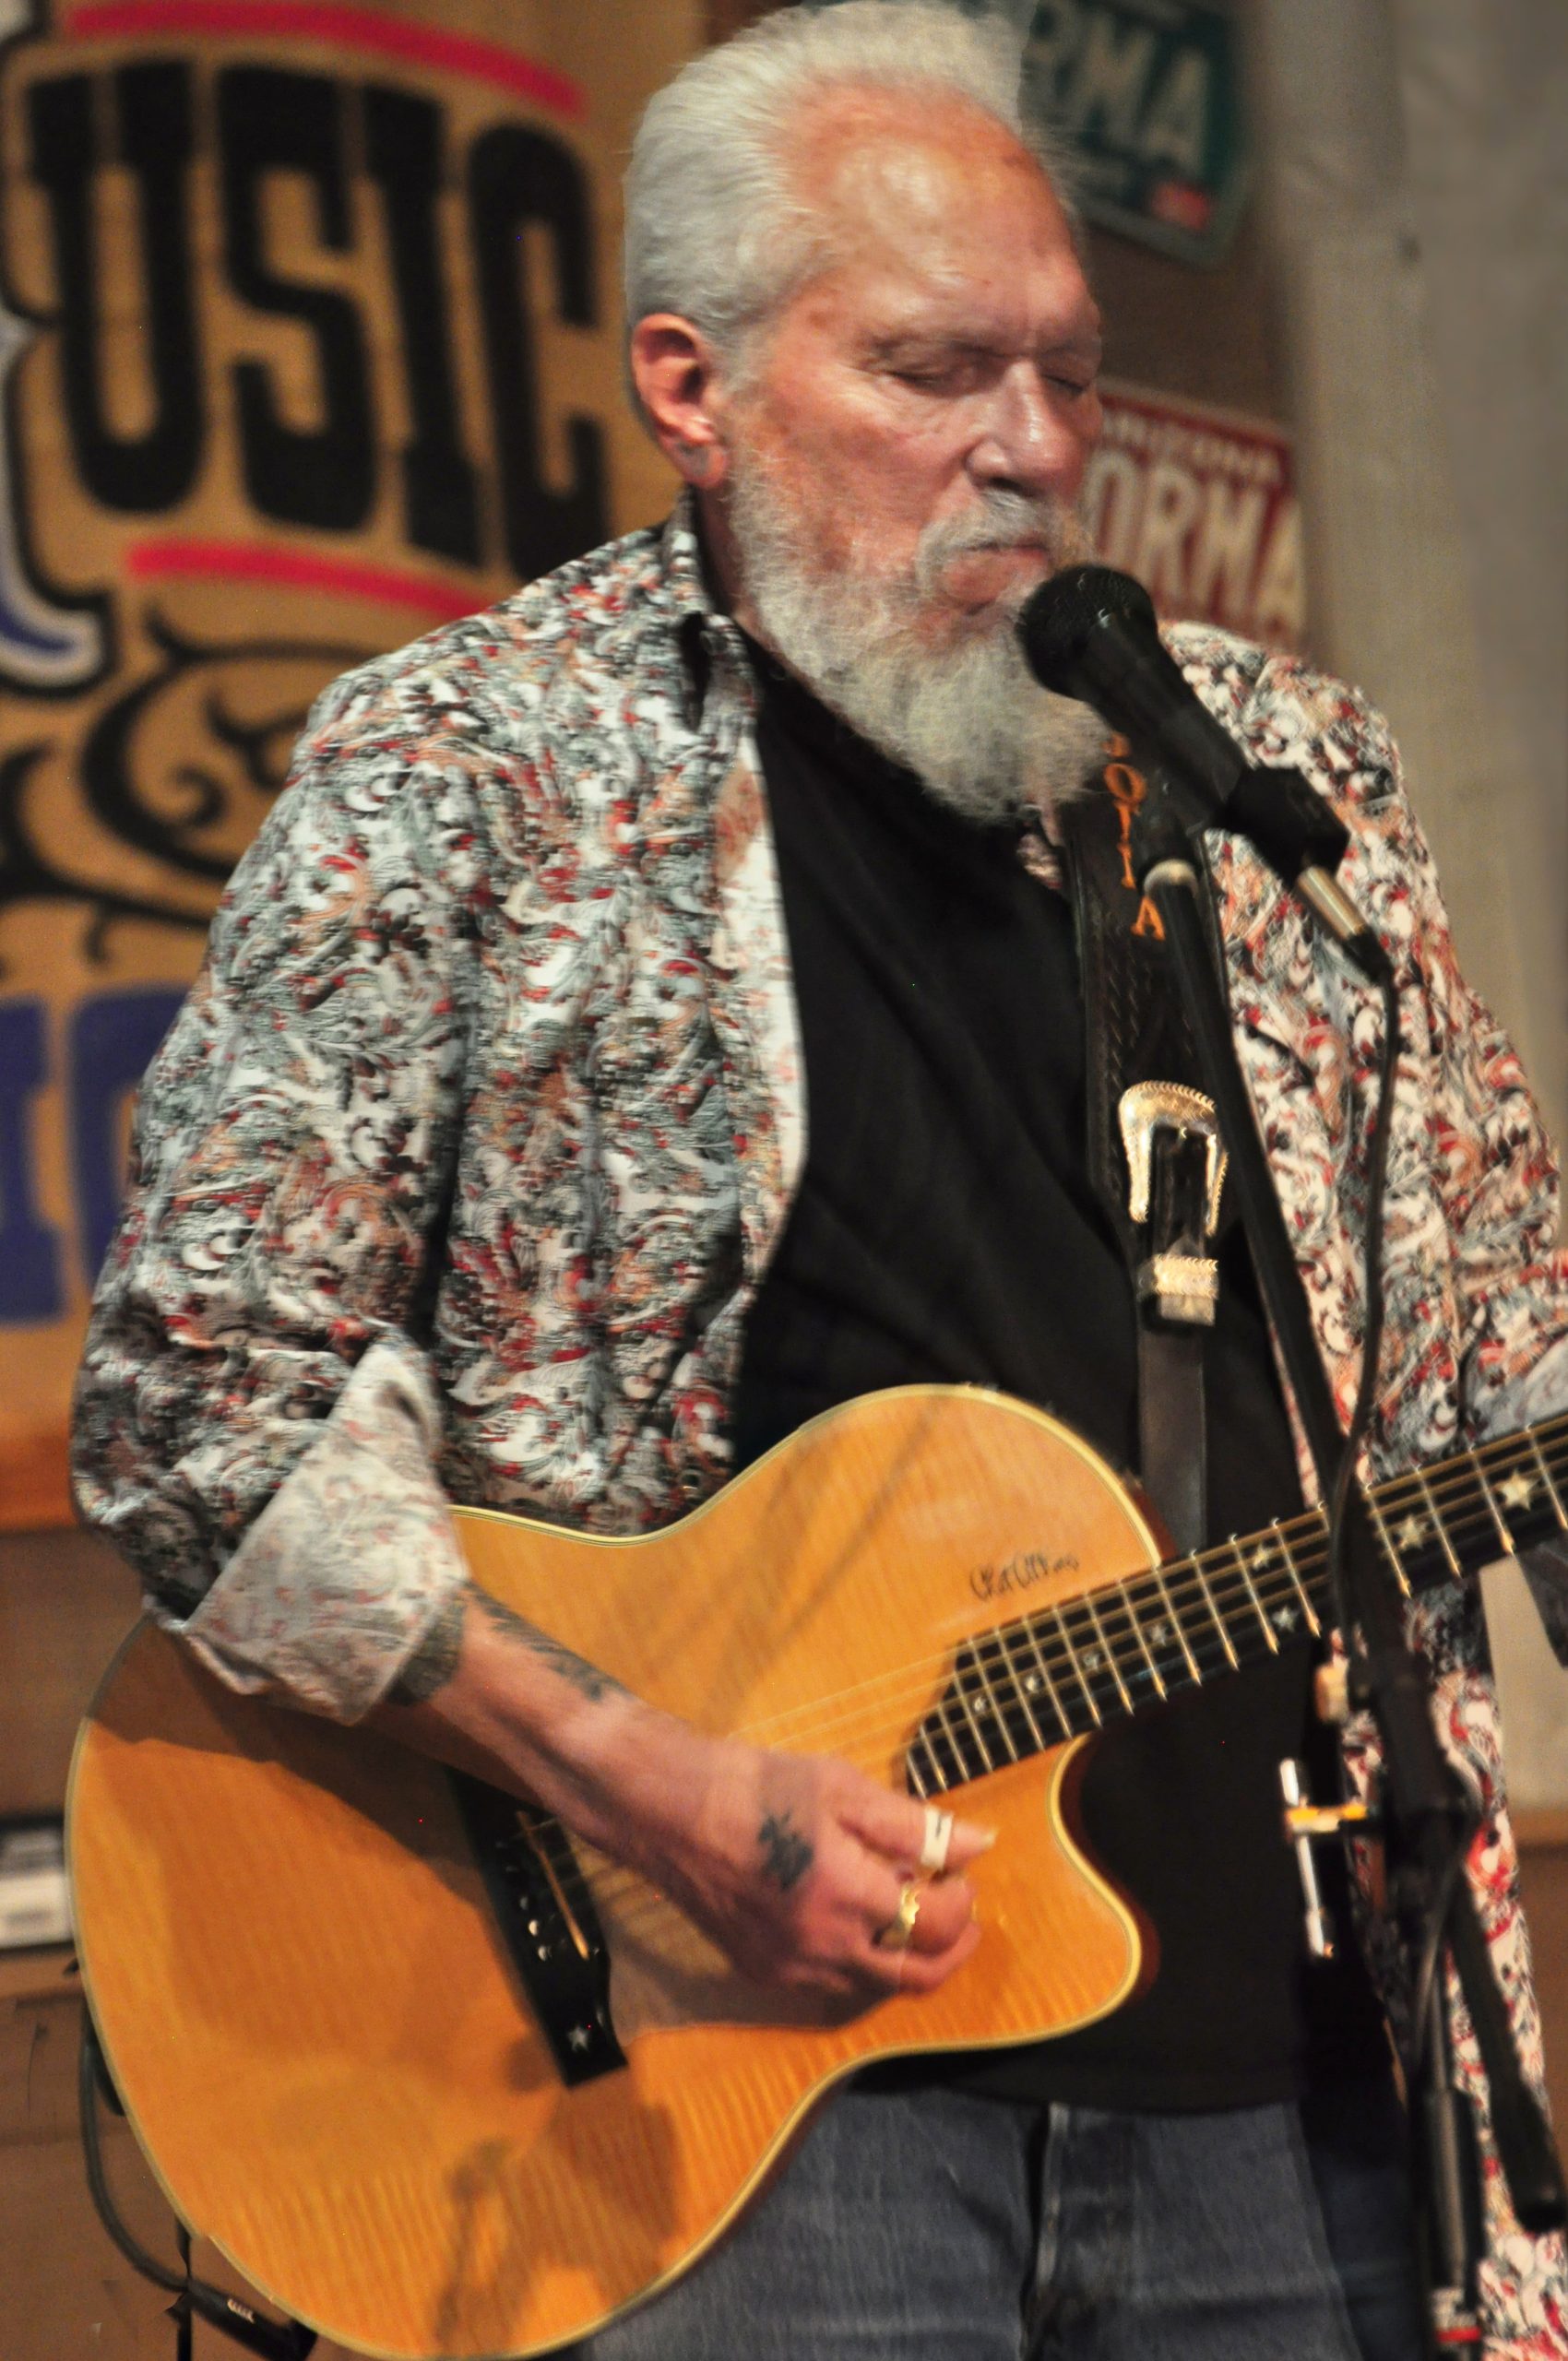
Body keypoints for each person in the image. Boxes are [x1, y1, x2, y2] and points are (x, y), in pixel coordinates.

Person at [72, 6, 1568, 2355]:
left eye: (1067, 373)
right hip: (722, 2119)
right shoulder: (471, 771)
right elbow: (201, 1397)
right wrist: (644, 1780)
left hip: (1294, 2086)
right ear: (692, 384)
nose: (1030, 445)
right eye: (935, 370)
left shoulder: (1271, 781)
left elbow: (1510, 1356)